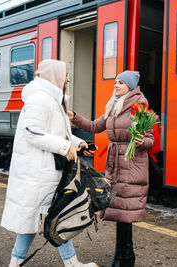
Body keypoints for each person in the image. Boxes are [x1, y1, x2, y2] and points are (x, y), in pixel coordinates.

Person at [1, 59, 97, 267]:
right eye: (66, 75)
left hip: (45, 172)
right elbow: (32, 133)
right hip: (36, 173)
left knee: (52, 217)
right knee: (47, 218)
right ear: (55, 76)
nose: (68, 79)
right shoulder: (40, 99)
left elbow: (58, 133)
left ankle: (67, 263)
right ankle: (68, 264)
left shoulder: (52, 99)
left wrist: (79, 143)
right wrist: (64, 148)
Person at [68, 71, 154, 267]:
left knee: (124, 212)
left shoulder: (140, 107)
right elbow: (94, 126)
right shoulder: (113, 105)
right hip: (116, 164)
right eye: (115, 82)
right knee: (119, 211)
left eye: (121, 83)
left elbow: (150, 139)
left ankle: (122, 257)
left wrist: (141, 142)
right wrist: (74, 117)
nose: (115, 85)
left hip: (131, 164)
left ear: (130, 87)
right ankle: (125, 256)